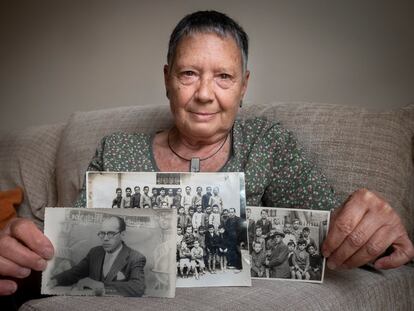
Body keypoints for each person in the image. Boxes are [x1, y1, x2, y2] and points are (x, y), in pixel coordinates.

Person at [1, 9, 413, 297]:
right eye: (189, 73)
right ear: (167, 79)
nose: (203, 94)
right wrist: (25, 256)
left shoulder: (265, 143)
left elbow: (337, 234)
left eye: (223, 77)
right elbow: (68, 254)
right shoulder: (116, 150)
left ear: (244, 86)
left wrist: (375, 234)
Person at [48, 216, 146, 296]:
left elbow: (138, 287)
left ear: (123, 235)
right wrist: (56, 280)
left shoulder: (136, 258)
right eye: (102, 233)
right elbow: (76, 272)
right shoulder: (95, 252)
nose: (105, 239)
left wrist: (101, 285)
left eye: (111, 234)